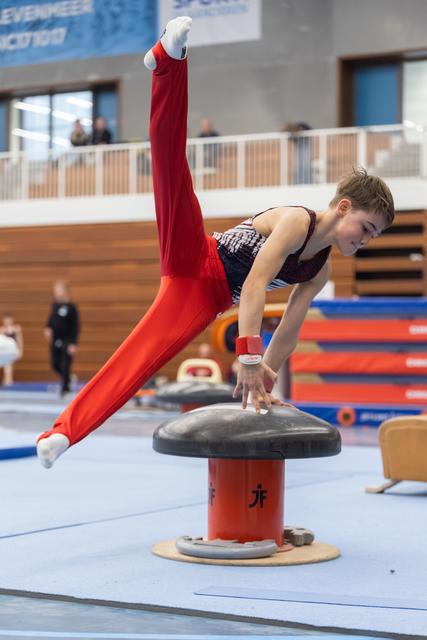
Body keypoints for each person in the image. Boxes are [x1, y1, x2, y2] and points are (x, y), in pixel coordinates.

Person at [36, 16, 394, 469]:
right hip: (198, 255)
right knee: (171, 170)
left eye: (375, 236)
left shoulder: (320, 269)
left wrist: (266, 378)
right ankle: (167, 63)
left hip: (206, 297)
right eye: (366, 228)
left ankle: (63, 433)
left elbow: (289, 329)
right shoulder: (293, 223)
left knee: (139, 361)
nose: (366, 240)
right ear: (343, 207)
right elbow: (260, 285)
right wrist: (247, 356)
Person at [44, 281, 80, 397]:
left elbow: (76, 326)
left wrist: (73, 343)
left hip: (67, 340)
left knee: (65, 365)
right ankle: (68, 378)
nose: (57, 293)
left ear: (65, 291)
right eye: (55, 291)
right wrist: (47, 328)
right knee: (55, 364)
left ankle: (65, 389)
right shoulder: (55, 305)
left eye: (59, 291)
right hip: (55, 339)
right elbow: (51, 319)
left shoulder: (71, 307)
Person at [0, 313, 23, 385]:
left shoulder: (17, 328)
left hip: (13, 351)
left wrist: (20, 351)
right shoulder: (1, 329)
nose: (7, 322)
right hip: (4, 352)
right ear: (3, 321)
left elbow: (20, 341)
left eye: (9, 320)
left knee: (9, 368)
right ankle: (7, 382)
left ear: (12, 320)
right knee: (8, 368)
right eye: (6, 320)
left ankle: (8, 382)